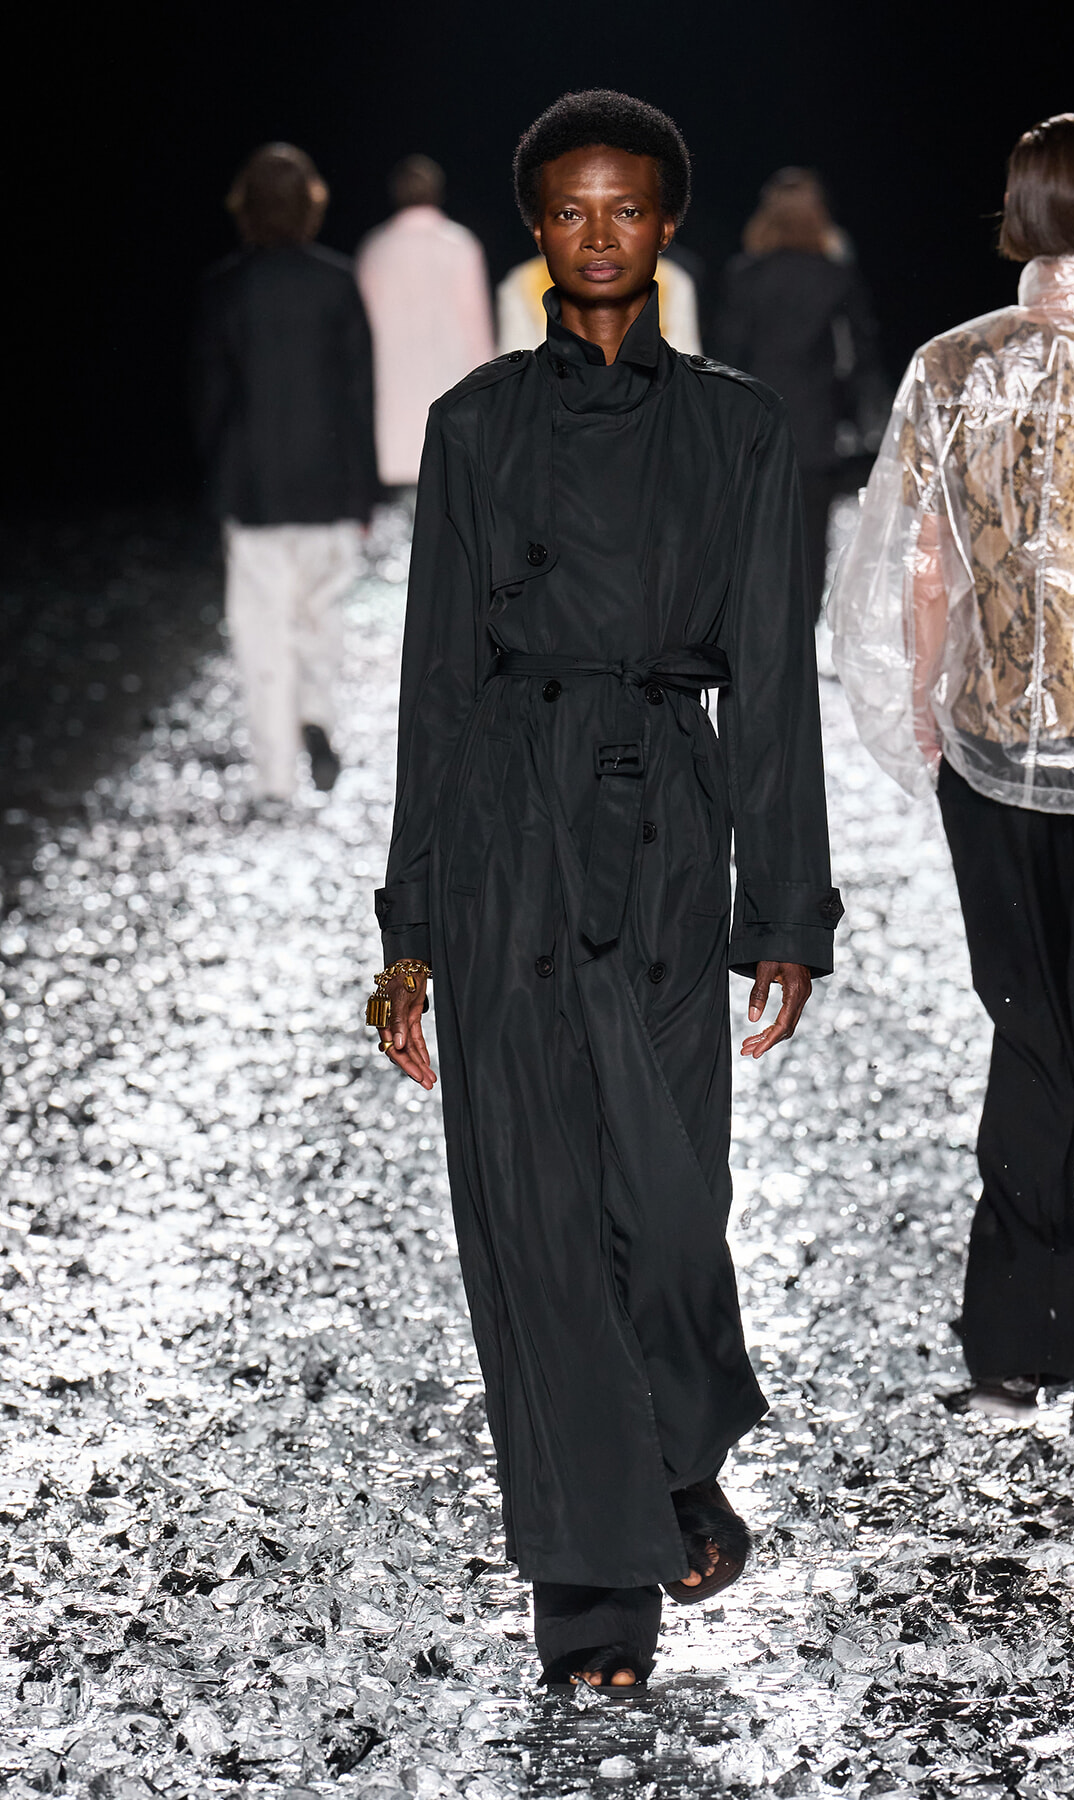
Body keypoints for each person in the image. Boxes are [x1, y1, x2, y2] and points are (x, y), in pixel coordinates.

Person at [371, 89, 841, 1688]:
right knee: (536, 1208)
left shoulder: (739, 427)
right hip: (508, 816)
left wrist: (785, 911)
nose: (596, 233)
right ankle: (591, 1590)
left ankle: (673, 1446)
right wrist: (409, 931)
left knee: (668, 1196)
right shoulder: (477, 426)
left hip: (665, 822)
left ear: (663, 224)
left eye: (623, 208)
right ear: (537, 230)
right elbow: (436, 681)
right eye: (568, 209)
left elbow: (773, 678)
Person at [829, 114, 1074, 1443]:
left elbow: (920, 564)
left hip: (993, 751)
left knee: (1032, 1033)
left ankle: (1011, 1354)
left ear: (1013, 217)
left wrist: (924, 707)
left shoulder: (950, 368)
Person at [193, 144, 378, 800]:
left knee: (261, 630)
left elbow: (212, 398)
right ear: (311, 204)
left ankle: (274, 776)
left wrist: (214, 473)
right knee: (320, 616)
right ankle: (318, 716)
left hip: (254, 484)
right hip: (328, 480)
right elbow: (358, 395)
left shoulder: (225, 287)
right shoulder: (338, 281)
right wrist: (365, 490)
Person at [714, 168, 888, 619]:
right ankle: (802, 648)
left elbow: (728, 356)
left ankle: (760, 646)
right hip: (816, 428)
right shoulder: (836, 277)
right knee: (811, 541)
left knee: (757, 538)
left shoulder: (744, 276)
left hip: (754, 431)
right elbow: (858, 355)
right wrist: (864, 420)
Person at [356, 155, 494, 493]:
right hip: (451, 410)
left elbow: (362, 338)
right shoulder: (460, 246)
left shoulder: (375, 249)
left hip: (389, 414)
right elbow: (478, 336)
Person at [495, 237, 702, 354]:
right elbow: (518, 366)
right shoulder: (523, 283)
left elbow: (683, 357)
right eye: (571, 214)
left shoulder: (671, 281)